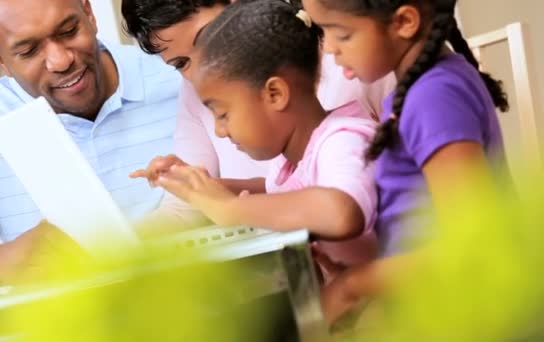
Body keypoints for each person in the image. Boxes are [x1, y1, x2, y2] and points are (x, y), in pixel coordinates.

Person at [0, 0, 180, 300]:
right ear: (0, 60)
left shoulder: (176, 73)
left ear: (89, 14)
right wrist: (4, 262)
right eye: (28, 51)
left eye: (68, 30)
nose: (60, 60)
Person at [301, 0, 509, 325]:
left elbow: (474, 243)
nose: (329, 49)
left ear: (404, 22)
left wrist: (352, 286)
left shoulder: (434, 97)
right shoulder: (422, 88)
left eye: (340, 33)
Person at [133, 0, 380, 271]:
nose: (219, 130)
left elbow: (341, 211)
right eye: (181, 63)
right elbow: (274, 189)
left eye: (223, 115)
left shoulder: (342, 140)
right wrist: (197, 185)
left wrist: (229, 209)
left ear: (275, 94)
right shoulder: (288, 162)